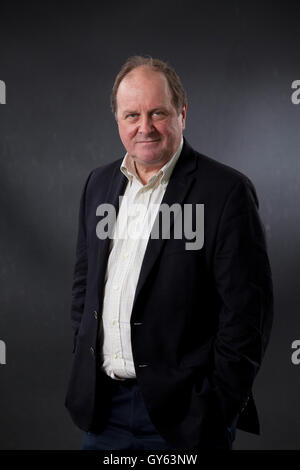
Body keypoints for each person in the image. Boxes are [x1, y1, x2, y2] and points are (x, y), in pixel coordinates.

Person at [64, 56, 273, 450]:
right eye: (131, 115)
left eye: (158, 112)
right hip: (101, 410)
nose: (144, 127)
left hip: (185, 417)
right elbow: (85, 284)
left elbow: (248, 316)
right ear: (117, 120)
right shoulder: (98, 184)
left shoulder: (226, 192)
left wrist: (216, 405)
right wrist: (83, 347)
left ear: (182, 112)